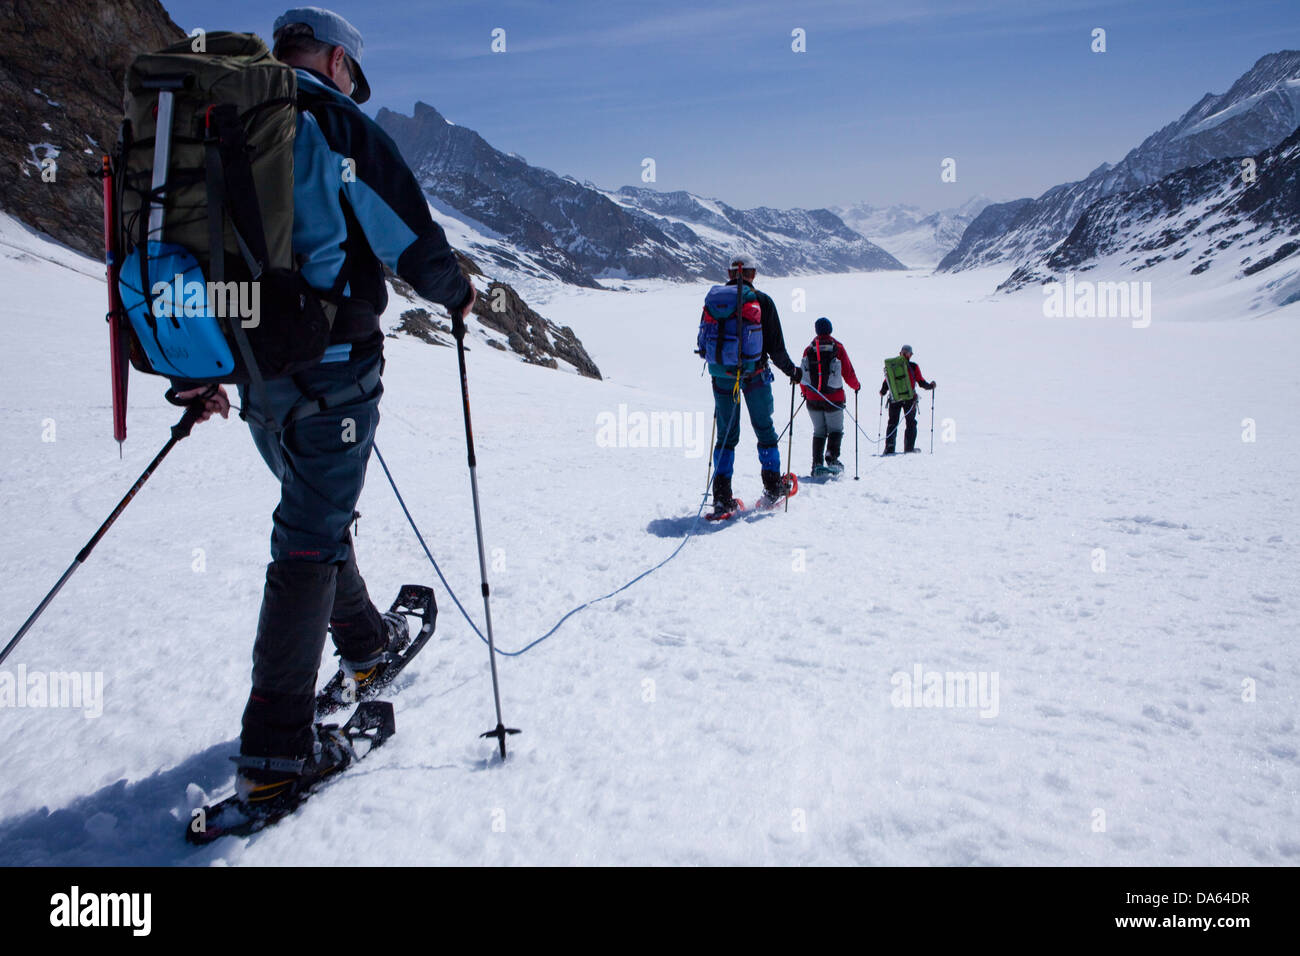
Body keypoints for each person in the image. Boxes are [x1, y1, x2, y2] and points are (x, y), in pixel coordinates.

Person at [175, 7, 476, 810]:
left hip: (244, 366)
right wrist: (457, 294)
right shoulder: (330, 120)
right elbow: (408, 233)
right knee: (309, 531)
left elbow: (176, 247)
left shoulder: (209, 115)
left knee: (315, 507)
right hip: (329, 365)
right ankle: (274, 753)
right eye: (356, 72)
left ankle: (368, 640)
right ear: (340, 61)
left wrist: (197, 362)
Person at [697, 255, 801, 514]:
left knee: (726, 436)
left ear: (729, 273)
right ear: (752, 274)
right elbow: (777, 349)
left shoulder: (714, 300)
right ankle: (773, 487)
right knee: (764, 429)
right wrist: (794, 372)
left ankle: (722, 497)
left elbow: (704, 344)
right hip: (755, 375)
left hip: (722, 375)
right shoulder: (762, 301)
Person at [799, 317, 860, 475]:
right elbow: (848, 372)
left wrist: (806, 393)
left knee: (819, 431)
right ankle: (831, 458)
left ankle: (816, 464)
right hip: (834, 399)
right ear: (830, 329)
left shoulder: (809, 349)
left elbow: (803, 374)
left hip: (812, 399)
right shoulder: (837, 348)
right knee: (835, 430)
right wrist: (856, 386)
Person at [879, 344, 935, 454]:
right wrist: (931, 386)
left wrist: (883, 391)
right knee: (911, 423)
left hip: (894, 398)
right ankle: (909, 448)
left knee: (892, 423)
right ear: (909, 355)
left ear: (900, 353)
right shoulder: (913, 366)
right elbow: (921, 382)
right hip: (909, 399)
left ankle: (889, 448)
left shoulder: (892, 367)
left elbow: (887, 382)